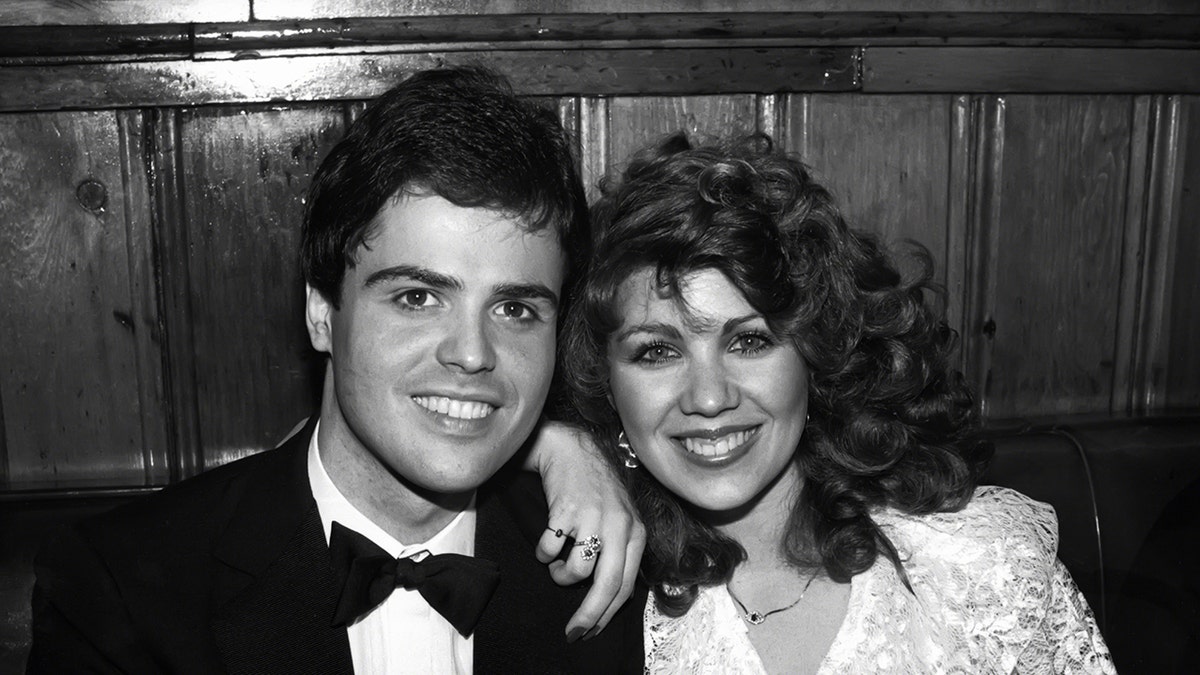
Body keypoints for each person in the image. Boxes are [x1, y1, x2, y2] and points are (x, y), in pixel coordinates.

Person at [29, 67, 645, 674]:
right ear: (321, 313)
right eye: (417, 298)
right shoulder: (122, 589)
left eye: (514, 308)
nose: (471, 353)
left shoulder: (606, 561)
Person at [560, 132, 1117, 673]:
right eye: (657, 351)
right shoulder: (582, 601)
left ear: (814, 352)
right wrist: (560, 446)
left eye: (749, 340)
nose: (709, 398)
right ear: (604, 381)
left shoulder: (978, 572)